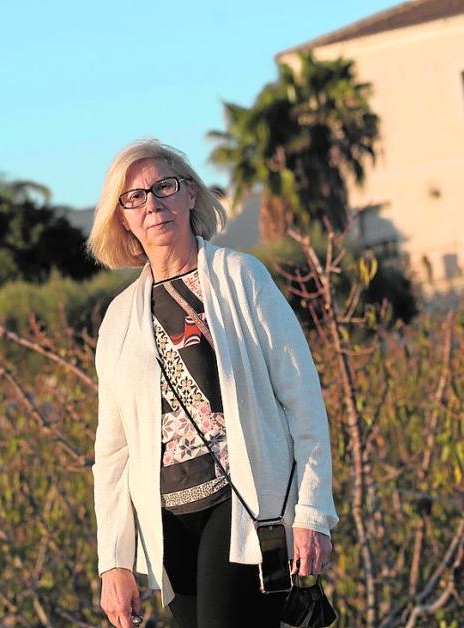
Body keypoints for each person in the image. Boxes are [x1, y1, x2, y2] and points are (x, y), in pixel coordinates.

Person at [89, 139, 338, 628]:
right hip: (169, 524)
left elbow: (302, 400)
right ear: (122, 218)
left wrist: (312, 512)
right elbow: (112, 453)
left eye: (164, 187)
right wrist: (114, 562)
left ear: (189, 196)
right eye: (134, 197)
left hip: (245, 507)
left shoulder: (242, 278)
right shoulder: (119, 320)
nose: (153, 204)